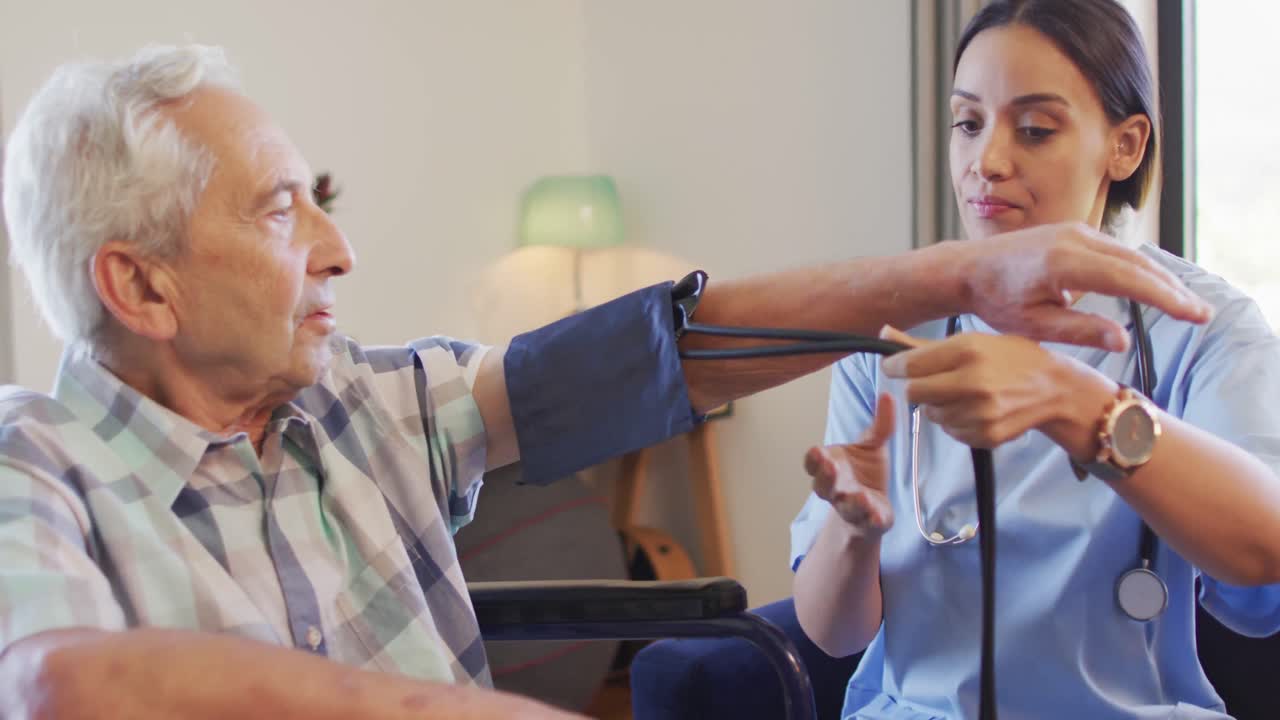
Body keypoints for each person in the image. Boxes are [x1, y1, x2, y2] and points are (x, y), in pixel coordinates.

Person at [0, 44, 1210, 720]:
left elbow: (661, 352)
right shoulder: (33, 464)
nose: (337, 249)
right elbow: (59, 685)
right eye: (281, 212)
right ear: (142, 288)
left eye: (323, 201)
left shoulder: (357, 409)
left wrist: (956, 272)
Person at [791, 1, 1280, 718]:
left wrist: (1073, 400)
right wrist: (855, 531)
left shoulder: (1202, 329)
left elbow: (1262, 558)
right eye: (968, 123)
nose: (987, 161)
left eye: (1034, 129)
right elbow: (830, 632)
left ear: (1126, 145)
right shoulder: (894, 329)